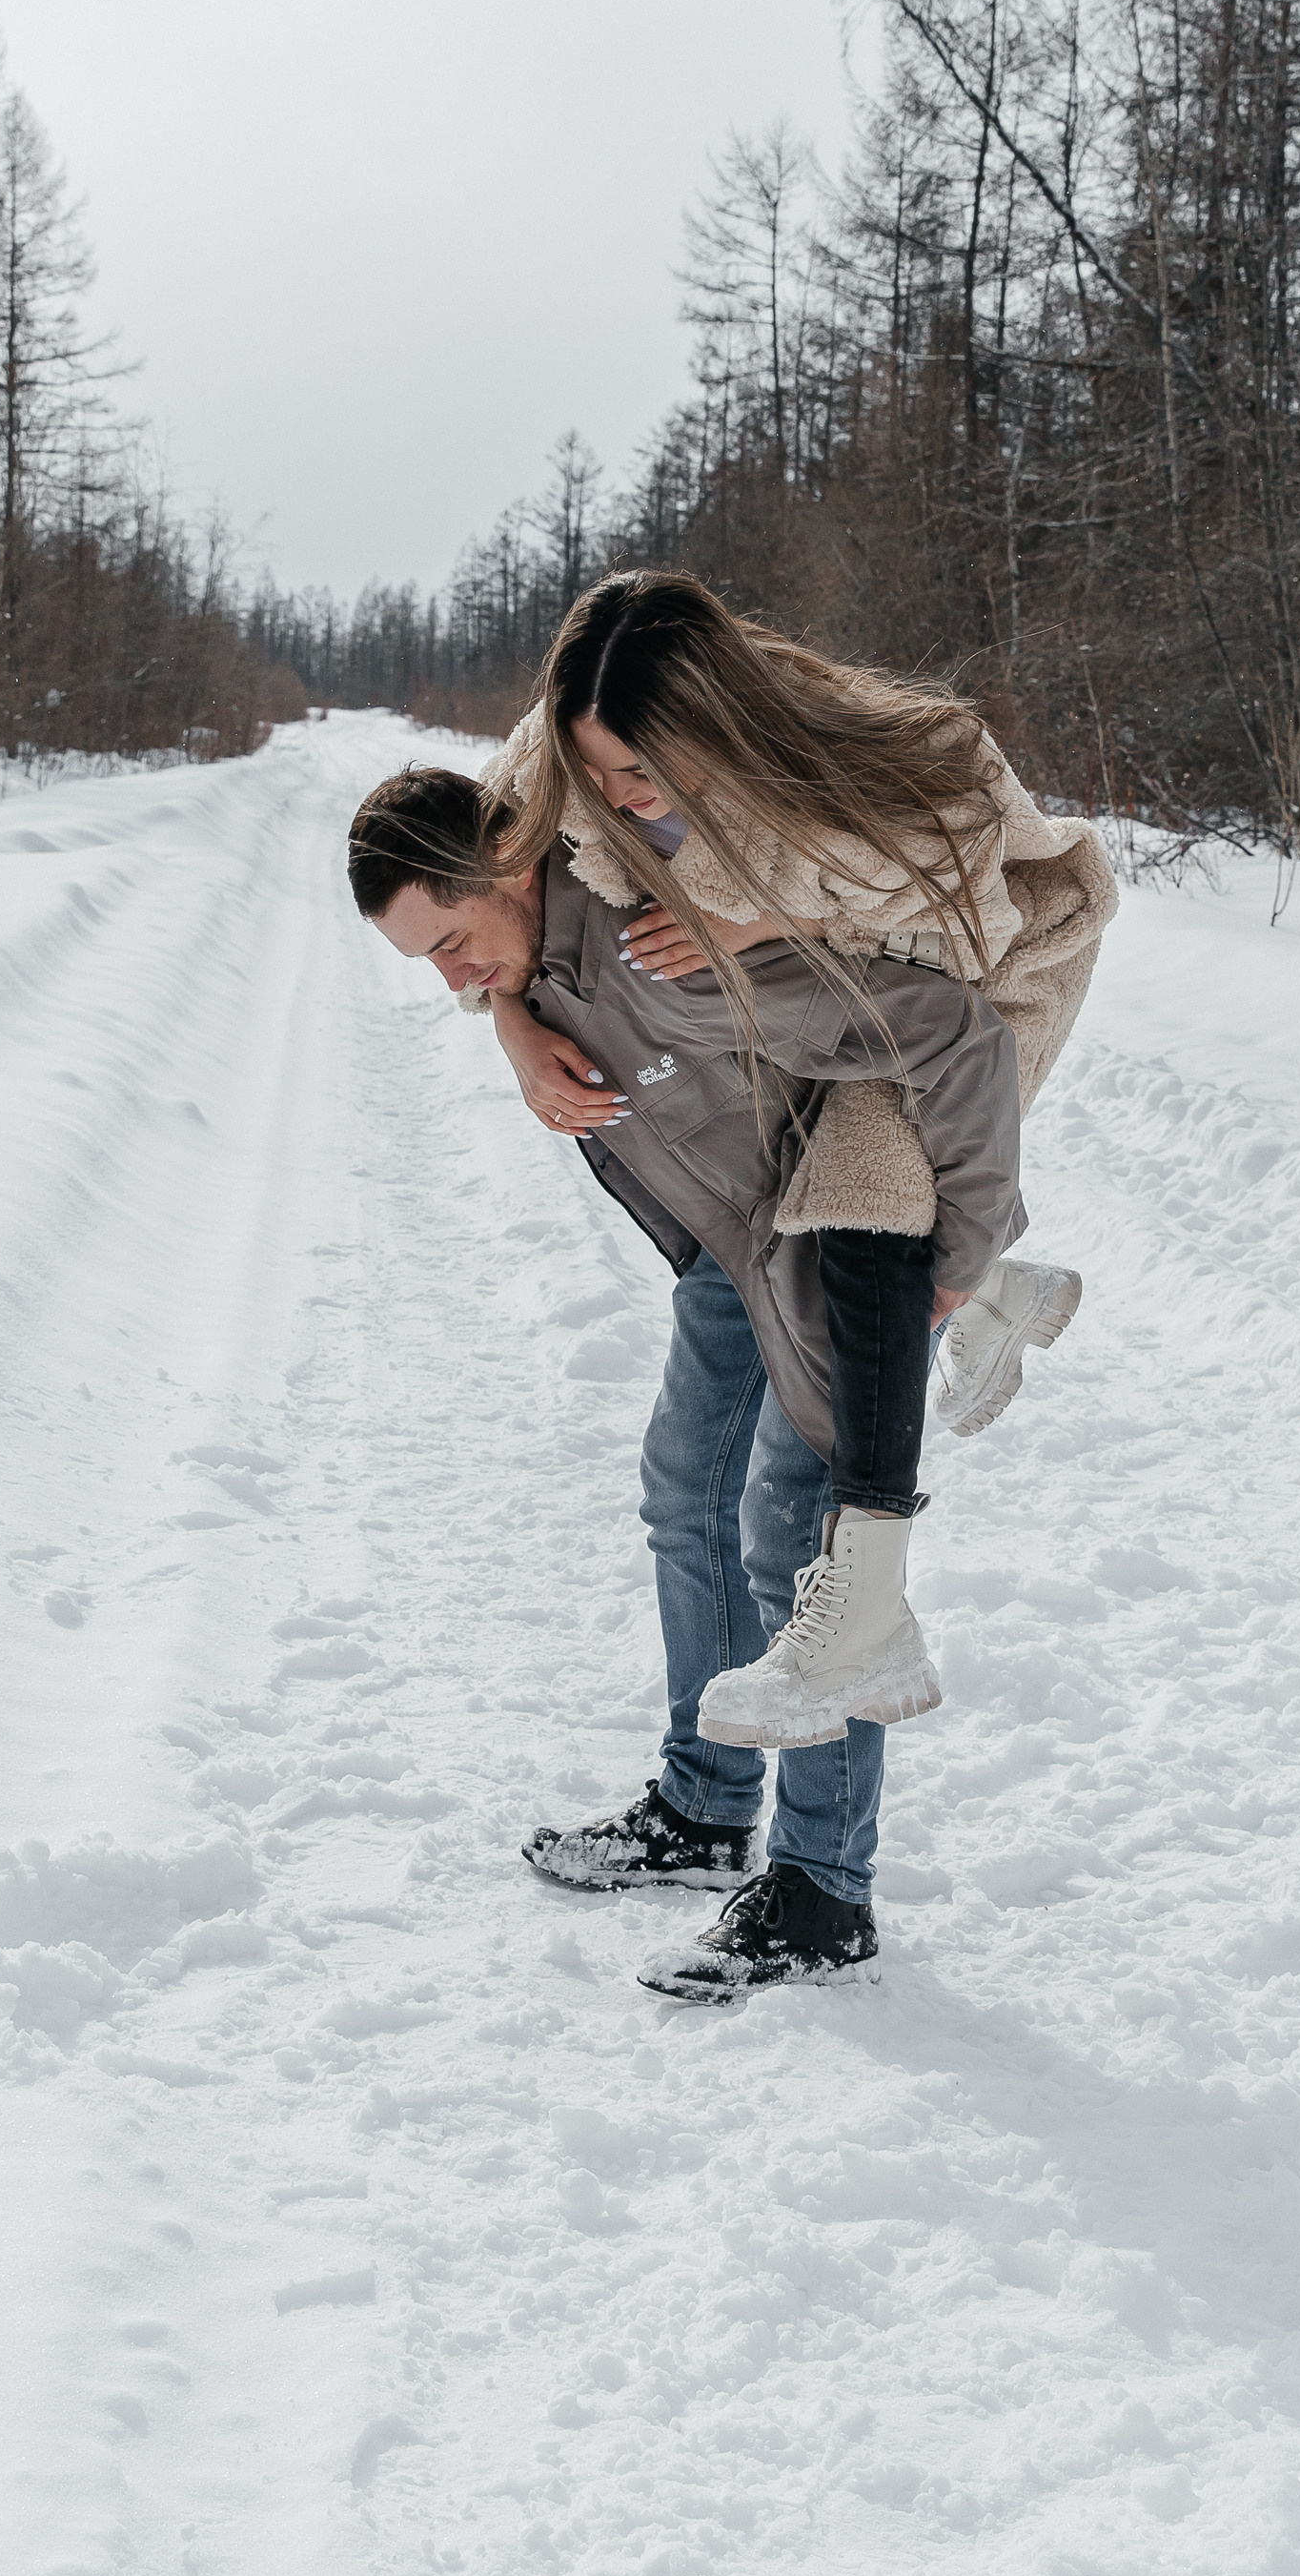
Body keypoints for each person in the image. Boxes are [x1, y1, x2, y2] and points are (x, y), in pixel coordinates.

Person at [348, 762, 1024, 1996]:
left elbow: (951, 1031)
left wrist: (961, 1260)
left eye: (451, 946)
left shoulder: (665, 941)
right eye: (426, 965)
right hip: (733, 1241)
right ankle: (706, 1804)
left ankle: (823, 1888)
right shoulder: (528, 931)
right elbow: (501, 956)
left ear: (509, 872)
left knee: (796, 1538)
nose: (449, 980)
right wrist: (507, 1021)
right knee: (684, 1489)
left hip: (841, 1228)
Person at [481, 571, 1116, 1443]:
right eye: (589, 769)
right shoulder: (554, 754)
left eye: (636, 769)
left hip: (977, 973)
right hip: (808, 1011)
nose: (614, 794)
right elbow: (480, 896)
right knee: (787, 1248)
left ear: (708, 725)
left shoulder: (845, 770)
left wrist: (763, 916)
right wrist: (512, 1020)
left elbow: (970, 924)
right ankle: (988, 1300)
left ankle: (956, 1318)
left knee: (870, 1230)